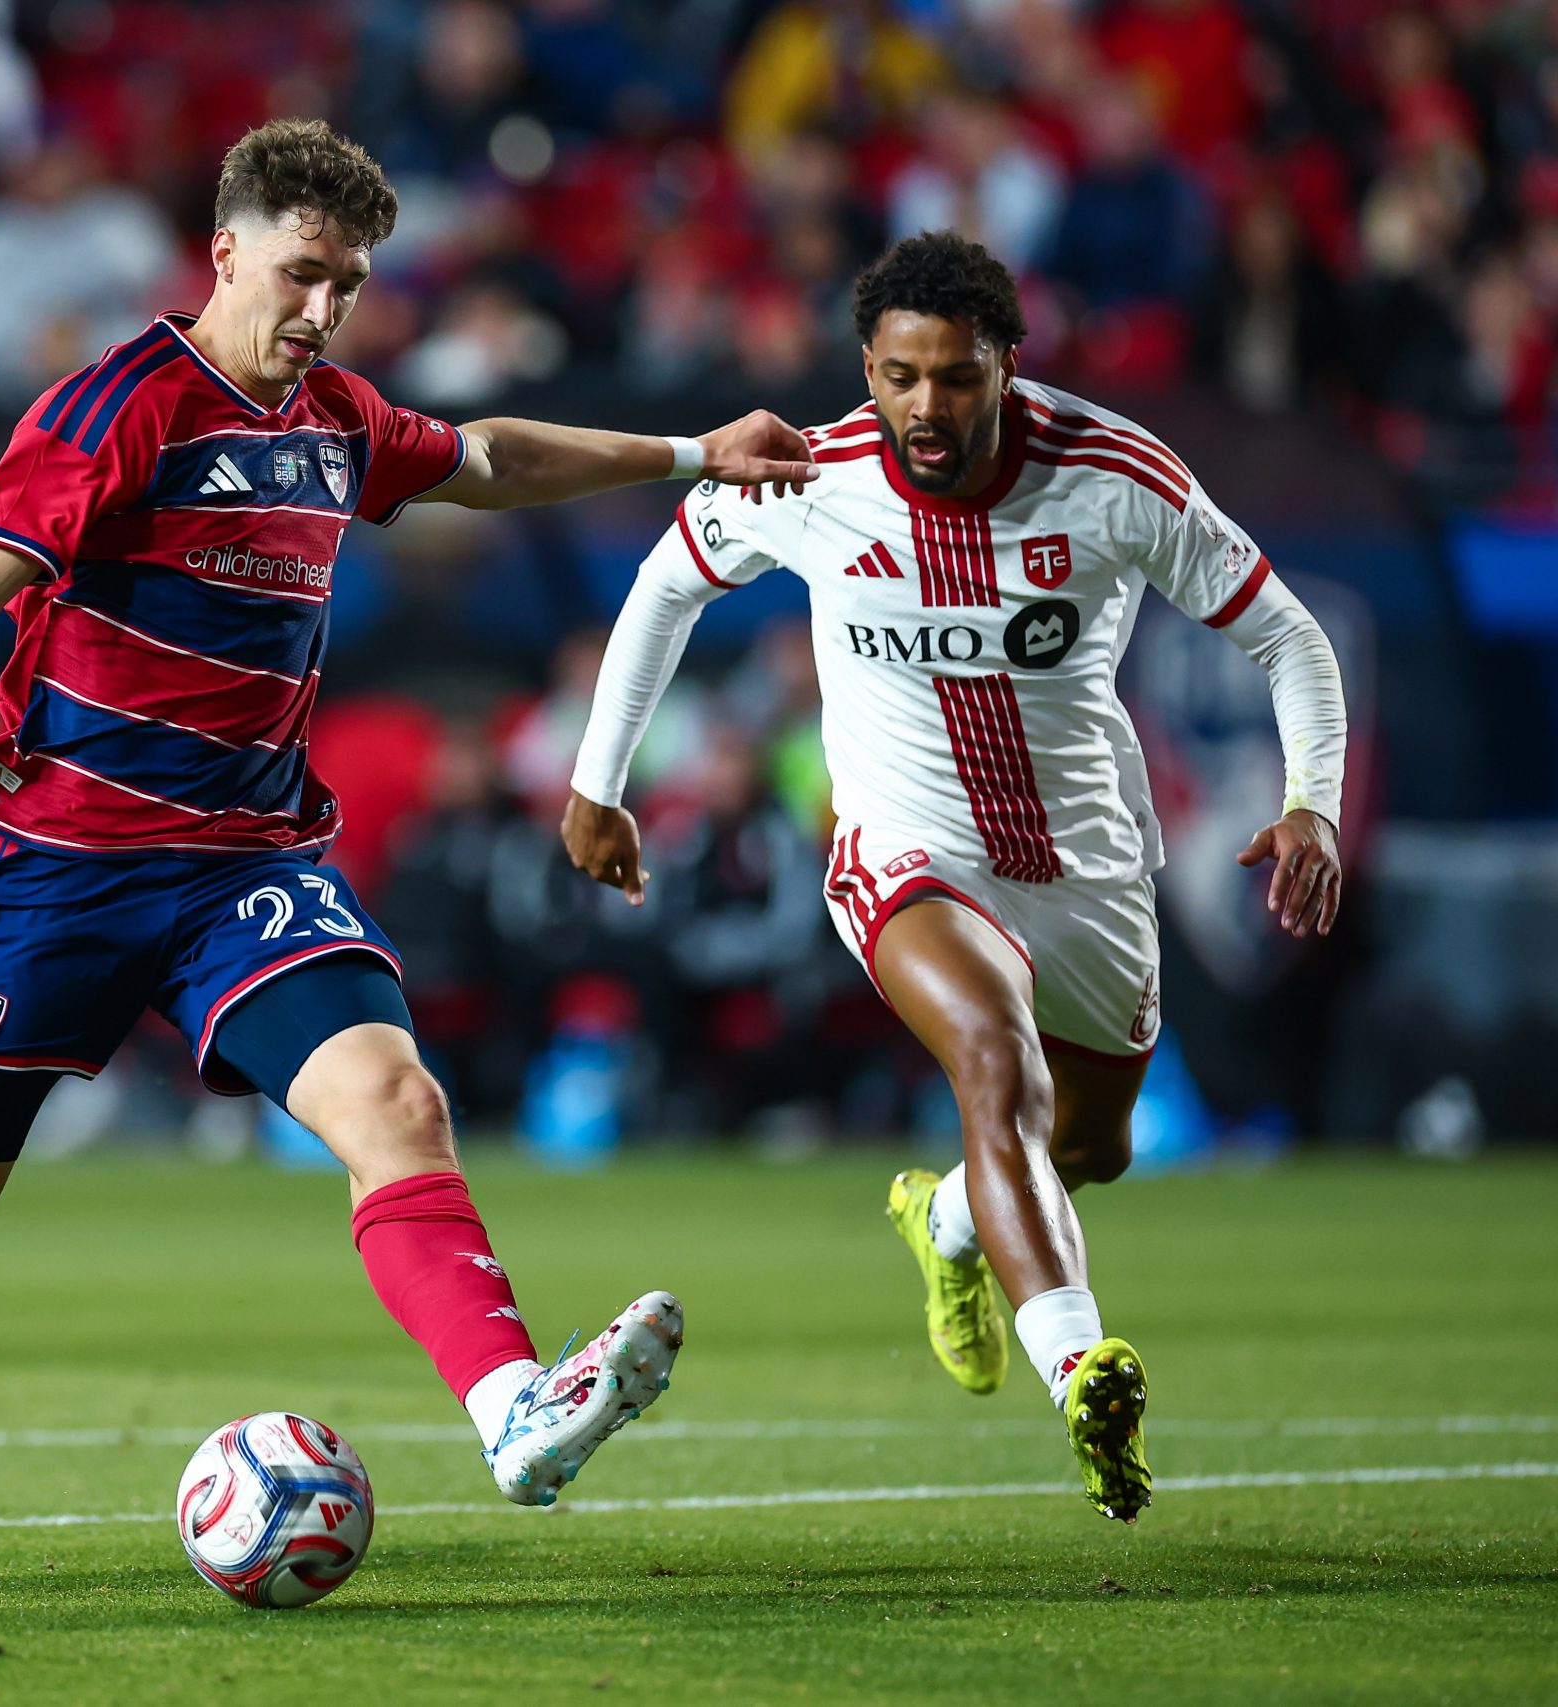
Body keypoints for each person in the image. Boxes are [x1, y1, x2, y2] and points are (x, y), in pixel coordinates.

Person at [0, 119, 817, 1506]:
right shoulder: (114, 407)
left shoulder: (334, 425)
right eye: (305, 274)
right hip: (62, 868)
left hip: (244, 867)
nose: (325, 312)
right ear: (227, 251)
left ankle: (513, 1410)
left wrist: (691, 451)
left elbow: (485, 458)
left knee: (395, 1099)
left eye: (352, 287)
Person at [562, 231, 1348, 1523]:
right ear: (868, 367)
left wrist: (1309, 800)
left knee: (1087, 1144)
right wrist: (599, 786)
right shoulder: (812, 473)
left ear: (1007, 365)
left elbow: (1289, 635)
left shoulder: (1115, 473)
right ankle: (1083, 1365)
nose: (927, 406)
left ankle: (951, 1228)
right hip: (904, 847)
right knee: (994, 1056)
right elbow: (662, 588)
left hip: (1087, 862)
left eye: (958, 377)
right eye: (901, 376)